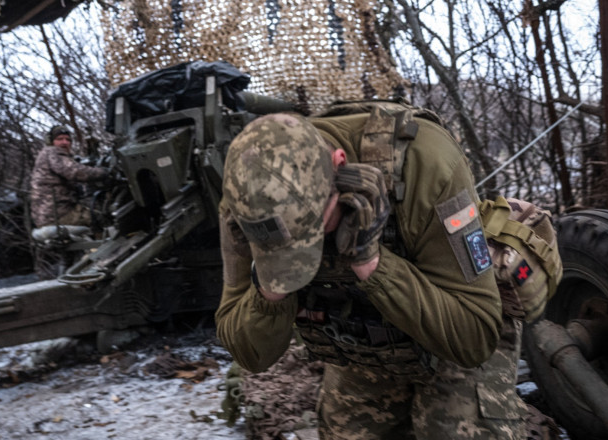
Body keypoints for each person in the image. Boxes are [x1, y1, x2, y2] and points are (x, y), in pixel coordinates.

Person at [215, 103, 526, 439]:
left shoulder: (427, 162)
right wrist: (272, 285)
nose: (301, 254)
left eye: (312, 232)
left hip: (451, 330)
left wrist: (372, 263)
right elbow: (249, 354)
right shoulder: (247, 197)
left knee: (455, 431)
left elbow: (475, 336)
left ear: (340, 167)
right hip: (368, 340)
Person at [30, 125, 110, 228]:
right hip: (59, 216)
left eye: (68, 140)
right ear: (51, 141)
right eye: (60, 139)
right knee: (101, 216)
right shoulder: (52, 151)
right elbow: (75, 172)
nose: (64, 142)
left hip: (45, 217)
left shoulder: (44, 155)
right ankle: (103, 243)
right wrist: (104, 172)